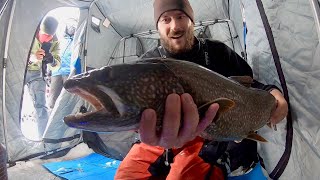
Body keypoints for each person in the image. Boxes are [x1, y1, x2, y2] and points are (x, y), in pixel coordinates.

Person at [115, 0, 288, 179]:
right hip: (163, 136)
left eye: (180, 17)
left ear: (192, 20)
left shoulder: (218, 52)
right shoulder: (147, 64)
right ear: (157, 26)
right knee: (127, 175)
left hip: (210, 136)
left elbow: (249, 86)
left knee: (184, 175)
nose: (175, 27)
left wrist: (272, 92)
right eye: (166, 19)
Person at [25, 16, 61, 137]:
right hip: (20, 71)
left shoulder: (54, 41)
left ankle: (44, 139)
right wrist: (32, 58)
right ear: (39, 29)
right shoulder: (28, 32)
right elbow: (15, 52)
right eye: (45, 35)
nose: (47, 38)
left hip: (38, 74)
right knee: (10, 104)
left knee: (41, 107)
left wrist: (52, 61)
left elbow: (57, 64)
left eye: (50, 36)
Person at [48, 18, 78, 109]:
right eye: (69, 25)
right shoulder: (60, 39)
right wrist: (50, 70)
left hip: (69, 73)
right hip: (56, 72)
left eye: (73, 25)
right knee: (52, 99)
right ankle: (51, 119)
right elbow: (53, 53)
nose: (71, 27)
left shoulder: (78, 40)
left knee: (67, 99)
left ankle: (66, 120)